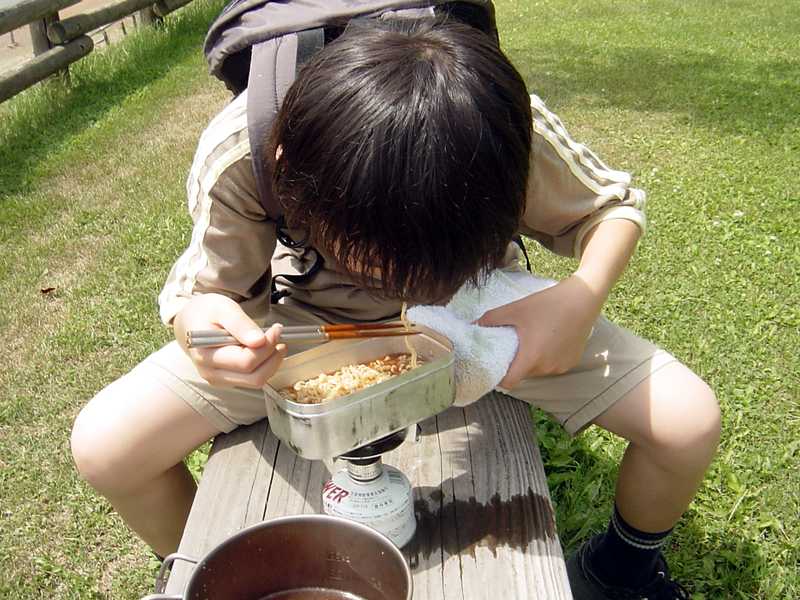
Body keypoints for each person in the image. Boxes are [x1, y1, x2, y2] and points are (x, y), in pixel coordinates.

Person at [70, 16, 719, 600]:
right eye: (369, 259)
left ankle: (622, 571)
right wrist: (203, 330)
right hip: (308, 327)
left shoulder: (491, 121)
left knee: (686, 424)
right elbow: (206, 297)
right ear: (291, 171)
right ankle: (206, 570)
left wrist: (580, 296)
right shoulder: (245, 148)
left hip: (478, 314)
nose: (401, 286)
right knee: (108, 446)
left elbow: (612, 207)